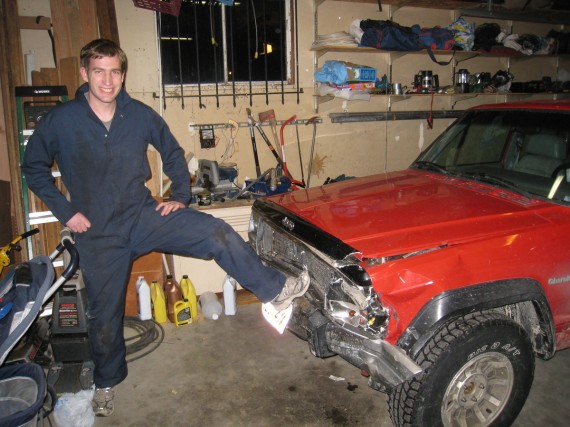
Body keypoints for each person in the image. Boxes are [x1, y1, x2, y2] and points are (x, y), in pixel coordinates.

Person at [21, 38, 310, 417]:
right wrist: (65, 212)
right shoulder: (61, 120)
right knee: (104, 319)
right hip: (97, 232)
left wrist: (180, 195)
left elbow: (172, 153)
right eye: (99, 71)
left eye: (114, 72)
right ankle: (107, 382)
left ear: (123, 74)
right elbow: (33, 169)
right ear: (84, 73)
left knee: (215, 233)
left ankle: (275, 291)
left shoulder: (138, 114)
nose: (107, 81)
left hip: (142, 216)